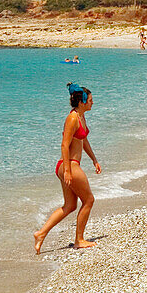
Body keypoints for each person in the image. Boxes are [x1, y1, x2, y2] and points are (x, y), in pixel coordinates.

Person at [35, 83, 102, 254]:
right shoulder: (72, 118)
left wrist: (94, 159)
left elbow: (83, 140)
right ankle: (79, 240)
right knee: (89, 200)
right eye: (91, 100)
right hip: (69, 165)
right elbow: (64, 145)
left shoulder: (81, 116)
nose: (93, 103)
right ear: (82, 102)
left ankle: (41, 233)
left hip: (69, 165)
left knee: (70, 205)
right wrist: (67, 171)